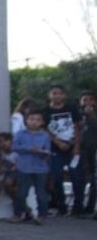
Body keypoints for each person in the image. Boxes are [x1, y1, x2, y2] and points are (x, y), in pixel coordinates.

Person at [42, 84, 84, 216]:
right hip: (55, 149)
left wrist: (76, 146)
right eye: (54, 93)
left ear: (64, 95)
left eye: (60, 93)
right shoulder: (45, 111)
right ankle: (61, 206)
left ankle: (78, 207)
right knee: (56, 177)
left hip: (72, 148)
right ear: (49, 95)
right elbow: (45, 130)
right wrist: (57, 142)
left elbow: (78, 127)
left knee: (77, 177)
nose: (57, 96)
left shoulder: (71, 108)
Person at [11, 111, 51, 224]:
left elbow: (48, 150)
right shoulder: (20, 133)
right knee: (21, 192)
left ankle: (42, 215)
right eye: (32, 119)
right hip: (24, 166)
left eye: (38, 120)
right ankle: (18, 214)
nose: (34, 122)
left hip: (40, 167)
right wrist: (29, 148)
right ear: (26, 121)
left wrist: (43, 152)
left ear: (42, 122)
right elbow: (14, 147)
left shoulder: (45, 135)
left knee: (41, 193)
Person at [79, 91, 97, 215]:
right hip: (81, 151)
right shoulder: (78, 116)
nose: (88, 103)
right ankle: (80, 206)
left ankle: (91, 206)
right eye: (85, 100)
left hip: (94, 151)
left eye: (91, 100)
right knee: (82, 178)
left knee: (94, 180)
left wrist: (92, 116)